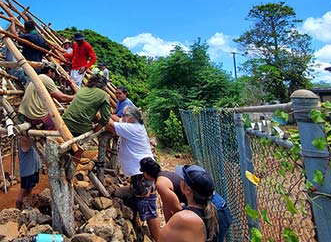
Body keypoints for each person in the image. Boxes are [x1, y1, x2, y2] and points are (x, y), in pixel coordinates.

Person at [140, 159, 233, 242]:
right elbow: (167, 204)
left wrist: (174, 225)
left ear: (188, 189)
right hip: (220, 206)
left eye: (182, 179)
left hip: (218, 212)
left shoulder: (184, 217)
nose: (179, 179)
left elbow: (177, 209)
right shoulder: (164, 175)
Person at [106, 106, 162, 241]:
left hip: (142, 172)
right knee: (146, 202)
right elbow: (116, 119)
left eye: (124, 115)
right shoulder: (132, 124)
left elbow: (110, 124)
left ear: (130, 118)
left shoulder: (131, 128)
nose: (122, 117)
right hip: (140, 171)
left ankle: (158, 238)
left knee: (149, 208)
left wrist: (98, 110)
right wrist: (112, 115)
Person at [18, 62, 73, 130]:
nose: (55, 76)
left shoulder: (38, 77)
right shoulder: (46, 79)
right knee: (57, 124)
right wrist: (75, 97)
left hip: (26, 113)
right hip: (35, 115)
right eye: (55, 73)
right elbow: (61, 98)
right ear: (50, 71)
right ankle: (50, 137)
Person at [61, 71, 110, 137]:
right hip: (80, 128)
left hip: (65, 121)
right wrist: (96, 129)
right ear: (104, 86)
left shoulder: (82, 89)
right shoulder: (104, 95)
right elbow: (105, 119)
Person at [16, 136, 42, 210]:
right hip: (27, 170)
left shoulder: (30, 136)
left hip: (33, 168)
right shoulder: (23, 139)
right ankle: (18, 209)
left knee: (30, 188)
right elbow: (27, 145)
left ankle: (27, 205)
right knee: (23, 189)